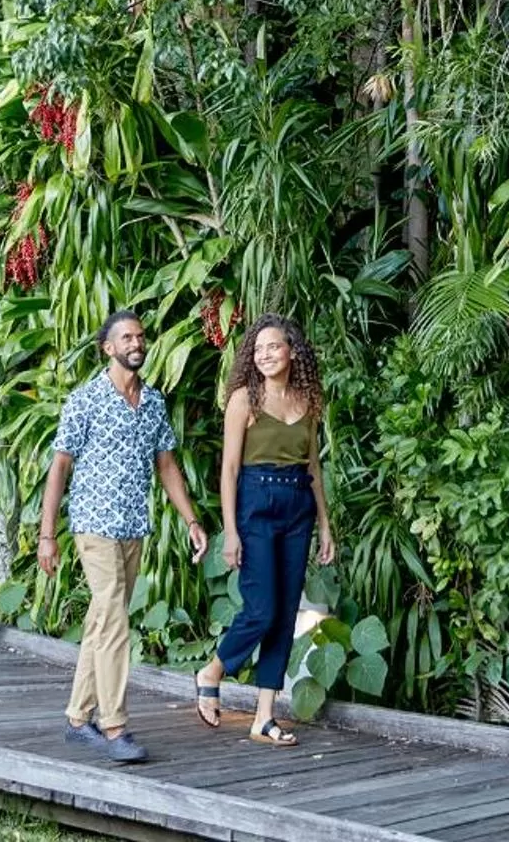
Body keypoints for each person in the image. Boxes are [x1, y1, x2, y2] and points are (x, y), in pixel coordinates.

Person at [38, 309, 209, 764]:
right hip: (94, 525)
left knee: (101, 620)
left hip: (133, 527)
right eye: (126, 338)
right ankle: (115, 726)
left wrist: (191, 521)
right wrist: (47, 535)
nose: (136, 343)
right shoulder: (86, 399)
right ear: (108, 348)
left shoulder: (152, 403)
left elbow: (166, 465)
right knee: (114, 619)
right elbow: (60, 466)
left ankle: (78, 719)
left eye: (140, 336)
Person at [193, 315, 335, 747]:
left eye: (273, 346)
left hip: (298, 506)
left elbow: (313, 468)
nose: (265, 355)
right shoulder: (244, 399)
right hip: (256, 503)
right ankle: (213, 670)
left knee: (285, 611)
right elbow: (229, 470)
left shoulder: (308, 400)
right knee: (262, 608)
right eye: (258, 349)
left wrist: (325, 525)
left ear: (292, 351)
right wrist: (231, 532)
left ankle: (264, 717)